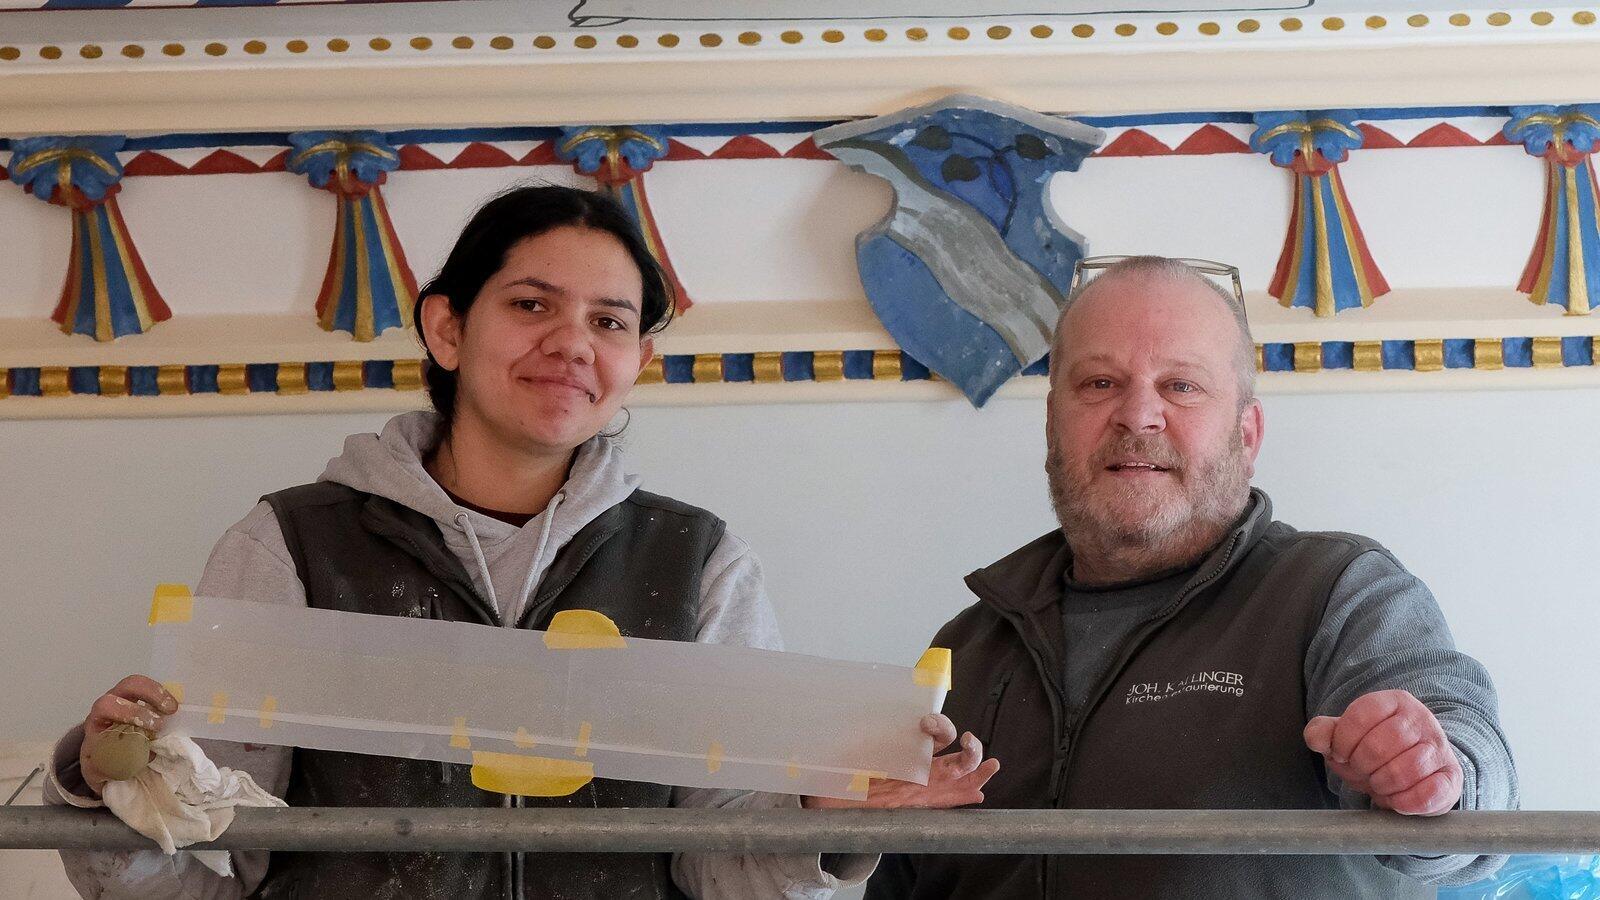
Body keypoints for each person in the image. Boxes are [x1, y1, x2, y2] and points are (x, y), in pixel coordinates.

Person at [46, 185, 998, 900]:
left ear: (637, 362)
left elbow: (723, 869)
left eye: (609, 321)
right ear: (447, 328)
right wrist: (100, 789)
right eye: (532, 305)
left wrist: (820, 824)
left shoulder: (701, 563)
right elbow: (203, 852)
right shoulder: (289, 545)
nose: (573, 344)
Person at [867, 255, 1517, 899]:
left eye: (1181, 385)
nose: (1137, 415)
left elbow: (1463, 761)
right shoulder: (968, 644)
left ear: (1247, 434)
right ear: (1052, 423)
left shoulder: (1341, 591)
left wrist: (1433, 772)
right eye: (1099, 382)